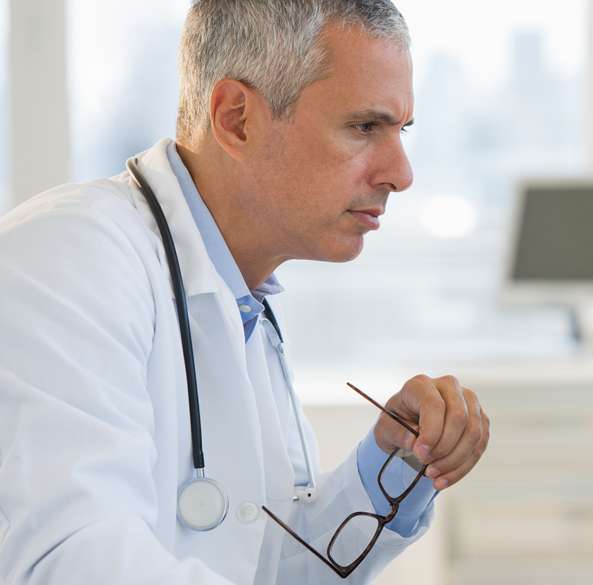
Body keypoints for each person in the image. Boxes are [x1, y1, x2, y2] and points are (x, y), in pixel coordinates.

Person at [0, 1, 489, 583]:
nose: (400, 173)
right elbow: (75, 561)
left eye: (400, 130)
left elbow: (271, 567)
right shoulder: (70, 255)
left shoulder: (241, 300)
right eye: (364, 126)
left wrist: (395, 461)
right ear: (236, 119)